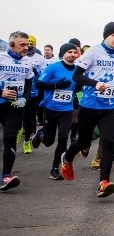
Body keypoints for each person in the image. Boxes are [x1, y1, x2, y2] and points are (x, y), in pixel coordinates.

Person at [60, 22, 114, 197]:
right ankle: (67, 158)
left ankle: (104, 182)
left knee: (108, 142)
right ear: (106, 36)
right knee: (84, 142)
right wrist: (95, 83)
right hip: (89, 105)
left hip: (109, 107)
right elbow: (76, 76)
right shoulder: (93, 52)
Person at [32, 42, 79, 180]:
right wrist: (56, 85)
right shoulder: (53, 67)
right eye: (69, 52)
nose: (72, 55)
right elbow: (38, 84)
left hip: (67, 109)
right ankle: (40, 134)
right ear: (63, 54)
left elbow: (78, 88)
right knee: (48, 141)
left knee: (63, 137)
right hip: (51, 108)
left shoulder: (78, 70)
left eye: (74, 52)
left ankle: (55, 168)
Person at [0, 31, 35, 191]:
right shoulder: (1, 58)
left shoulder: (27, 61)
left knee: (10, 138)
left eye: (27, 44)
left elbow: (28, 84)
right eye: (22, 45)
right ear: (11, 45)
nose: (26, 48)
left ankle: (6, 176)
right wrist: (1, 92)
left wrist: (25, 99)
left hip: (14, 107)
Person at [22, 34, 47, 155]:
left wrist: (37, 73)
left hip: (32, 93)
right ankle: (17, 131)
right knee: (16, 118)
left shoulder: (40, 58)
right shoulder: (19, 56)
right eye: (27, 43)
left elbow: (44, 75)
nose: (29, 45)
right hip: (16, 92)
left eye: (31, 43)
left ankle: (27, 141)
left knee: (30, 119)